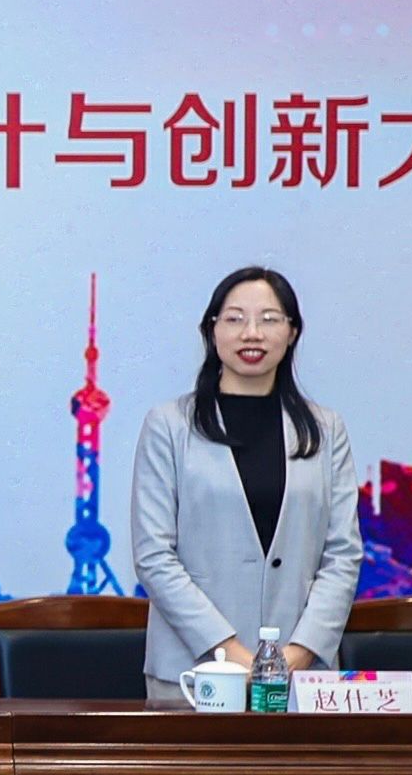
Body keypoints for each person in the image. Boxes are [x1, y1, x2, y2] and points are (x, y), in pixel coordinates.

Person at [130, 266, 367, 700]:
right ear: (212, 330)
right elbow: (154, 556)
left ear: (292, 332)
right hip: (194, 672)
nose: (252, 333)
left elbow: (343, 554)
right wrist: (233, 654)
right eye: (235, 319)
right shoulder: (169, 425)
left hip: (299, 675)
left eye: (269, 319)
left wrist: (295, 654)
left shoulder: (325, 428)